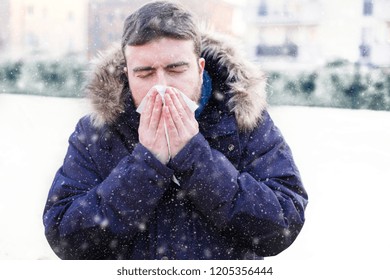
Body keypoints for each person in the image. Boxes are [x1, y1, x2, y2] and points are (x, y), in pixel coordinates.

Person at [43, 1, 308, 260]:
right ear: (128, 74)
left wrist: (194, 156)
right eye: (145, 73)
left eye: (176, 69)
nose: (162, 85)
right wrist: (145, 165)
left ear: (199, 67)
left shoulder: (244, 121)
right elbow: (65, 238)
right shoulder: (98, 131)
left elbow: (282, 224)